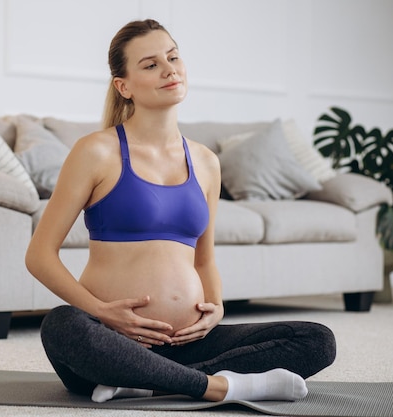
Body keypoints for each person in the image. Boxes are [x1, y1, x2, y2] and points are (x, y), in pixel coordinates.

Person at [25, 19, 336, 403]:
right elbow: (39, 255)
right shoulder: (95, 152)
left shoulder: (206, 162)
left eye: (173, 57)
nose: (169, 69)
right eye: (151, 64)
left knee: (316, 339)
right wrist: (103, 312)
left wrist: (217, 306)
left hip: (190, 341)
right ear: (124, 86)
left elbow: (204, 261)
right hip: (113, 338)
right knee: (61, 325)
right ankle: (219, 387)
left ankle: (148, 382)